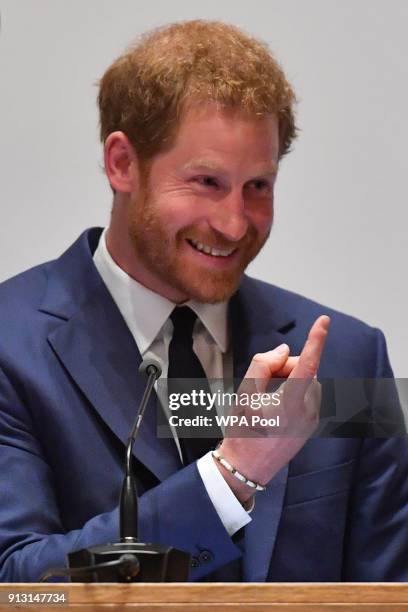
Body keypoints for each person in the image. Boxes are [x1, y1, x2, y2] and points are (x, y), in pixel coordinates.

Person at [0, 20, 407, 583]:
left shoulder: (350, 359)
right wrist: (232, 476)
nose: (235, 223)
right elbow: (17, 586)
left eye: (258, 187)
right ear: (123, 163)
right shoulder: (10, 346)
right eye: (207, 183)